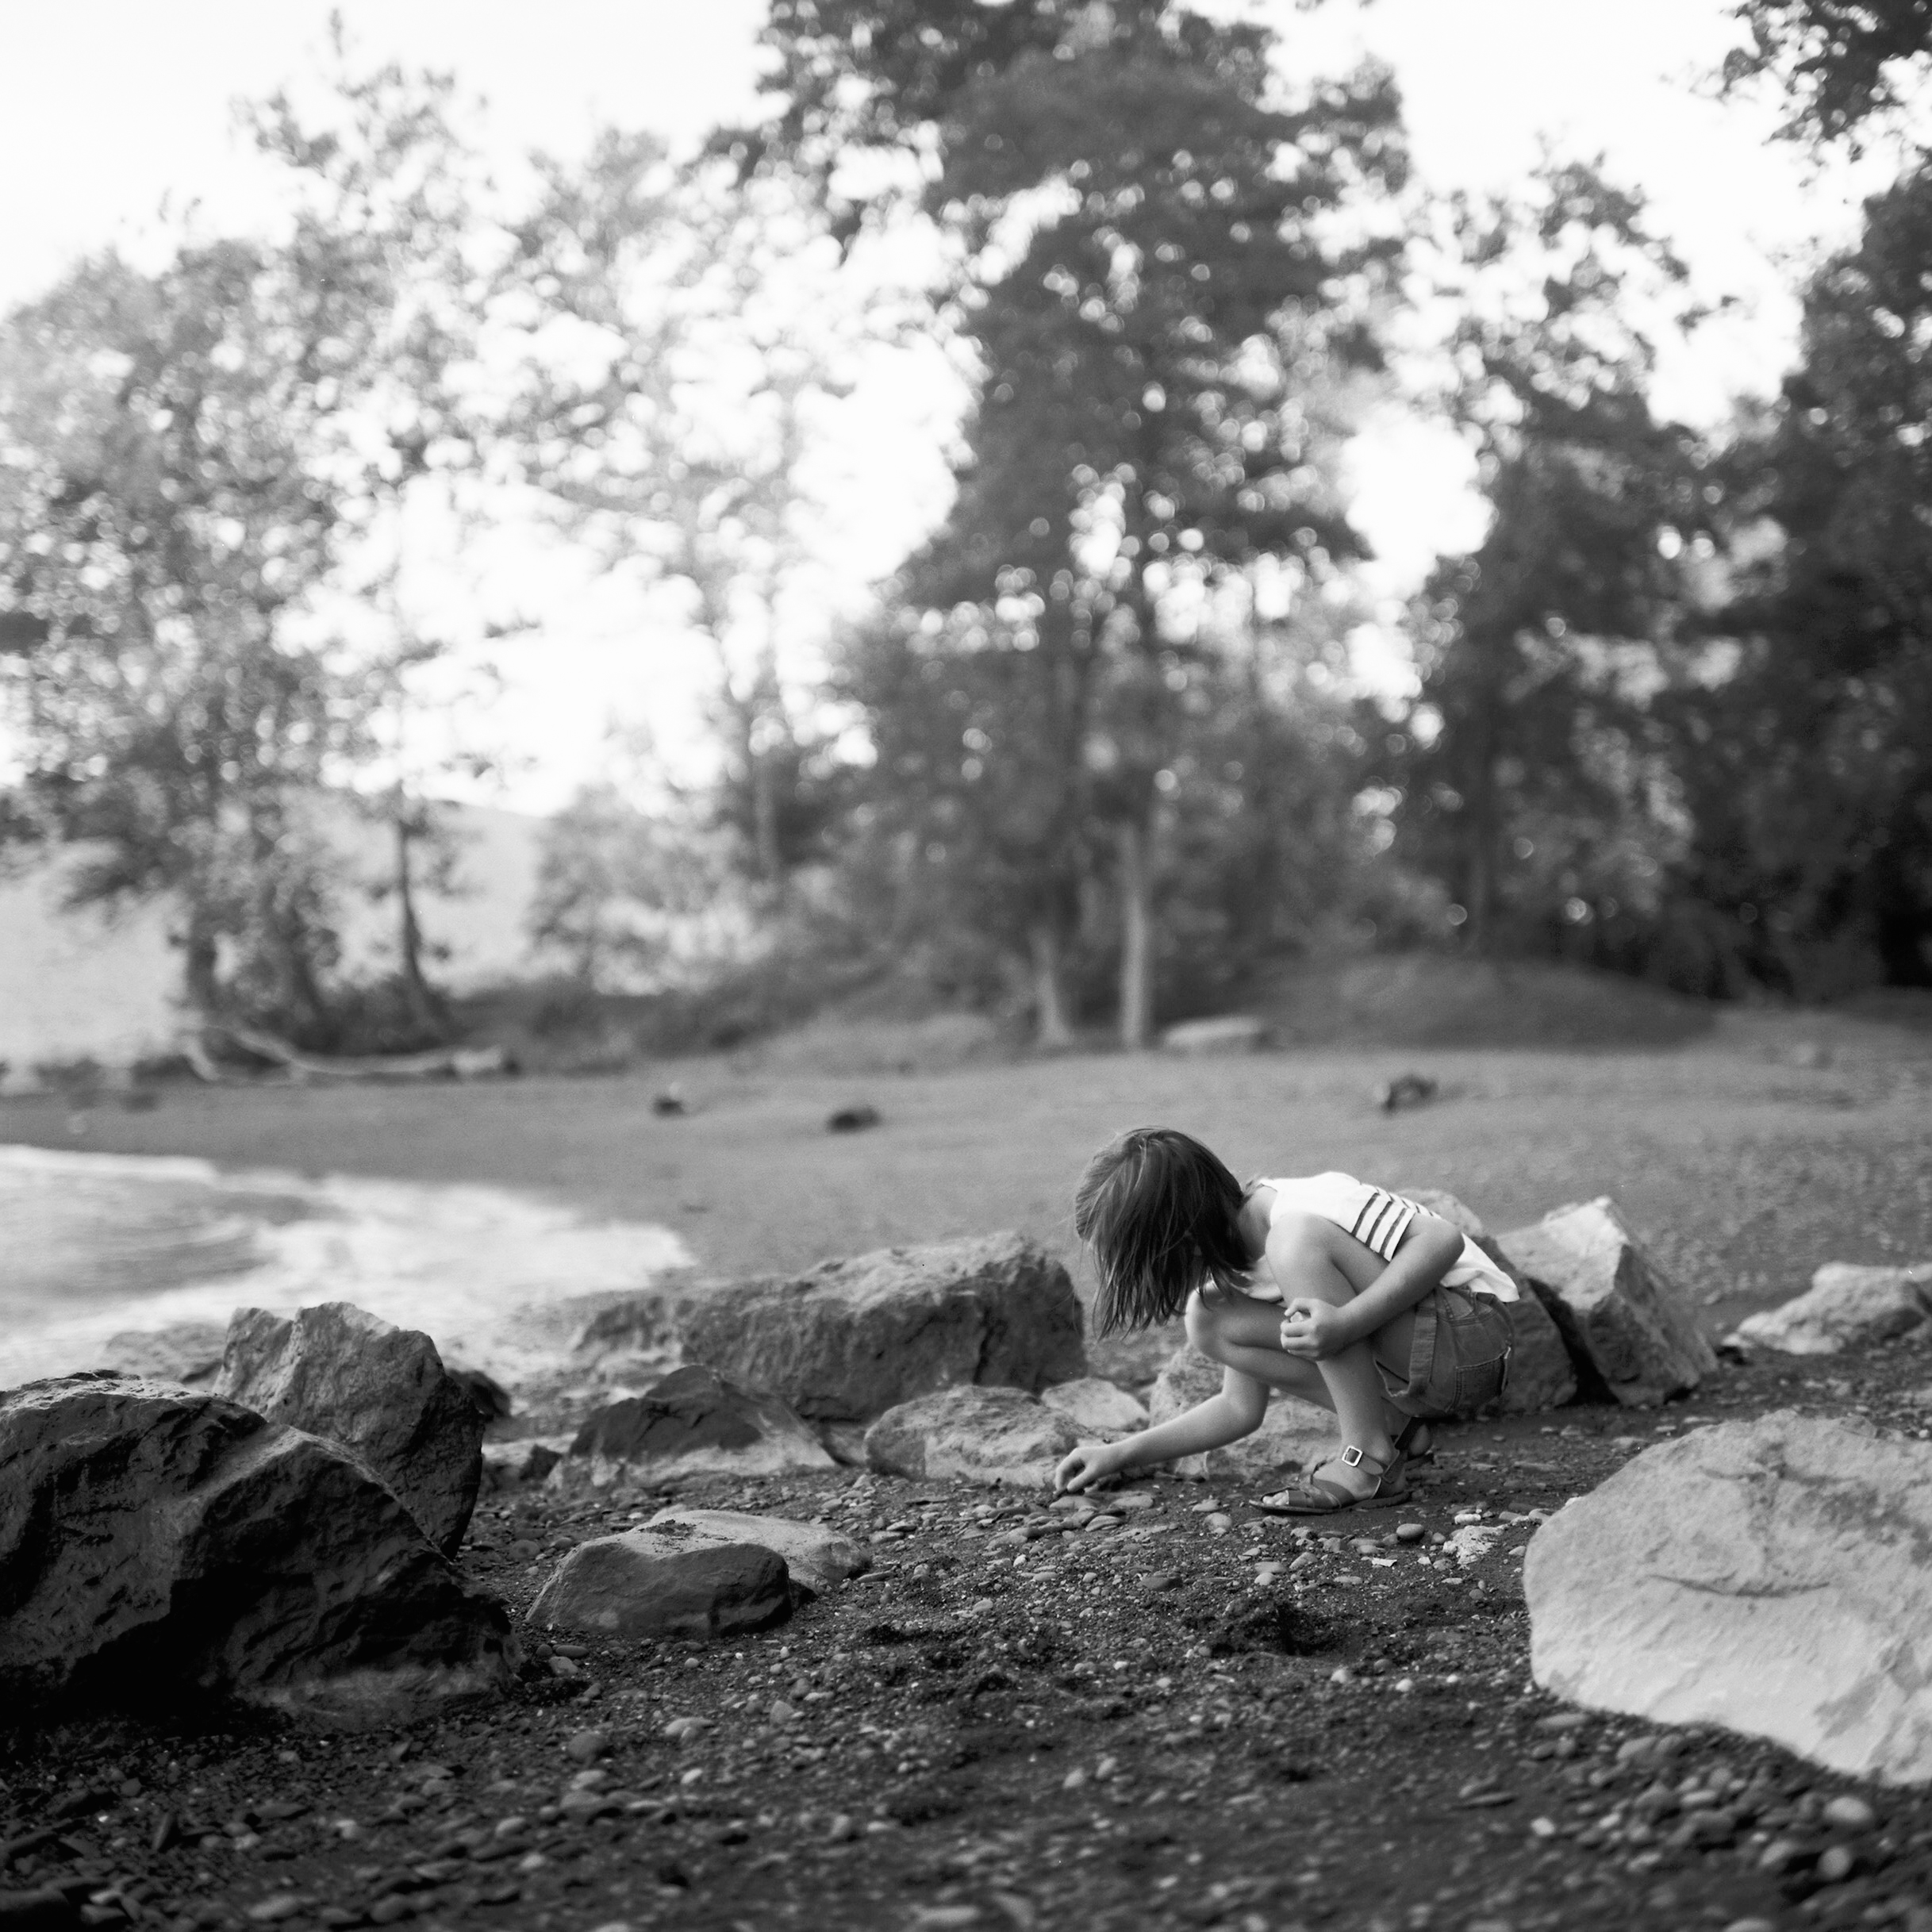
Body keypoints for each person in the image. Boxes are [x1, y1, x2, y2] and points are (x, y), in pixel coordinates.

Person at [1053, 1126, 1518, 1511]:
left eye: (1142, 1267)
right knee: (1209, 1318)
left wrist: (1349, 1322)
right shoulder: (1237, 1273)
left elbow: (1442, 1238)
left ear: (1181, 1240)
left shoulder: (1298, 1212)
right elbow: (1239, 1410)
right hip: (1420, 1365)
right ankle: (1396, 1430)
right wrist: (1121, 1453)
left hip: (1470, 1339)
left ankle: (1367, 1457)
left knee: (1294, 1242)